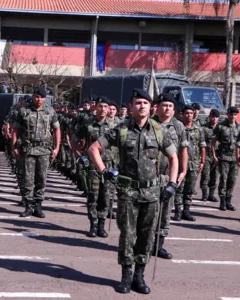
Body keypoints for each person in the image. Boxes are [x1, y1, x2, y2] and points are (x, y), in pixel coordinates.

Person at [88, 88, 178, 294]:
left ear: (150, 107)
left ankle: (140, 275)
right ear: (131, 107)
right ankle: (126, 275)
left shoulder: (158, 131)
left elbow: (174, 157)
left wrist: (172, 183)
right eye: (137, 103)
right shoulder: (121, 130)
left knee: (146, 236)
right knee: (128, 235)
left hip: (152, 193)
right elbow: (94, 148)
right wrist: (105, 171)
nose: (142, 106)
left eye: (145, 103)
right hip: (128, 193)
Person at [12, 87, 61, 218]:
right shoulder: (24, 111)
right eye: (36, 96)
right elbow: (15, 129)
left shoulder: (50, 112)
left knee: (41, 178)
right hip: (28, 149)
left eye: (41, 97)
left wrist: (56, 148)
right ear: (33, 97)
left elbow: (57, 130)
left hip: (44, 150)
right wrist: (14, 146)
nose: (38, 99)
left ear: (45, 98)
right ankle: (28, 206)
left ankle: (38, 206)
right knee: (28, 179)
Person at [72, 97, 115, 238]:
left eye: (106, 106)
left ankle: (102, 225)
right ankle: (93, 224)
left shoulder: (116, 125)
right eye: (100, 106)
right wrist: (80, 156)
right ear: (96, 108)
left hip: (109, 166)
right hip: (92, 166)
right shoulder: (88, 124)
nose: (103, 109)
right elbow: (74, 140)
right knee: (93, 195)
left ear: (109, 109)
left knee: (106, 195)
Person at [152, 93, 188, 259]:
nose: (167, 108)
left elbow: (183, 150)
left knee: (165, 211)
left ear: (174, 110)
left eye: (170, 106)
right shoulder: (150, 123)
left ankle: (159, 245)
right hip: (150, 175)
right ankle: (145, 243)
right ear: (158, 107)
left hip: (169, 175)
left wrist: (183, 171)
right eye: (164, 105)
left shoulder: (179, 126)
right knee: (149, 210)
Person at [173, 105, 206, 222]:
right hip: (180, 163)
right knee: (179, 187)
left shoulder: (198, 129)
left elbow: (202, 146)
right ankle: (178, 211)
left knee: (190, 188)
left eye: (191, 113)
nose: (189, 115)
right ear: (182, 114)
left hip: (193, 163)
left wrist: (202, 161)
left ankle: (186, 211)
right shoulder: (178, 127)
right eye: (187, 113)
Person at [212, 106, 240, 211]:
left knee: (232, 180)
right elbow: (213, 142)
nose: (233, 116)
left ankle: (229, 201)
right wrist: (214, 155)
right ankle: (222, 201)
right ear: (227, 114)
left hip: (235, 158)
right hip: (223, 157)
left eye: (235, 114)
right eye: (231, 114)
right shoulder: (220, 127)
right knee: (223, 179)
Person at [200, 109, 220, 202]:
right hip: (207, 155)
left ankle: (211, 195)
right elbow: (200, 142)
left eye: (216, 117)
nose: (214, 119)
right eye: (212, 117)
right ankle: (204, 194)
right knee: (205, 175)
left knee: (214, 176)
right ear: (209, 117)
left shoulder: (220, 128)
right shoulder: (204, 128)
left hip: (217, 155)